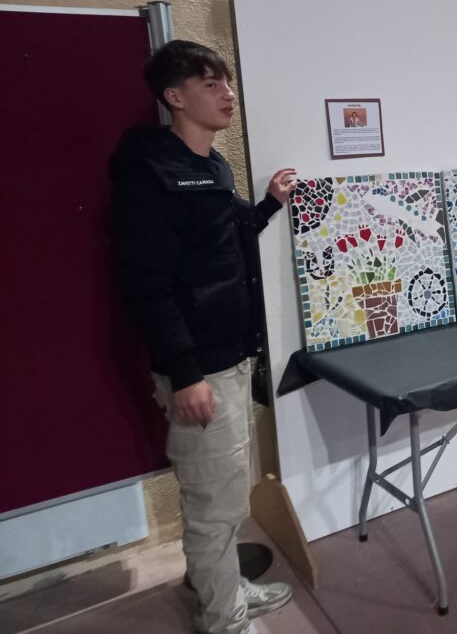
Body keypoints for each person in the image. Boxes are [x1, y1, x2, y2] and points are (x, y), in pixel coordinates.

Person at [109, 40, 298, 634]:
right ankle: (224, 620)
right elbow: (146, 287)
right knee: (214, 506)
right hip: (201, 370)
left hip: (231, 358)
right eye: (211, 84)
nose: (228, 94)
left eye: (227, 82)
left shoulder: (211, 166)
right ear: (174, 96)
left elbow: (226, 236)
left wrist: (268, 206)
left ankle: (226, 592)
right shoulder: (152, 178)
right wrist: (185, 373)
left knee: (225, 496)